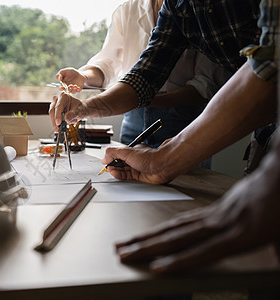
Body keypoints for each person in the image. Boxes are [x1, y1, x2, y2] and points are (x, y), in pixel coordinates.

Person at [114, 0, 279, 276]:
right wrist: (161, 162)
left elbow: (271, 67)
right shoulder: (176, 6)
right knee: (259, 258)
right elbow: (269, 64)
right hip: (268, 128)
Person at [49, 0, 268, 184]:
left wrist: (167, 158)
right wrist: (85, 107)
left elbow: (266, 74)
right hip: (265, 125)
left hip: (188, 116)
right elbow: (144, 76)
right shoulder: (177, 7)